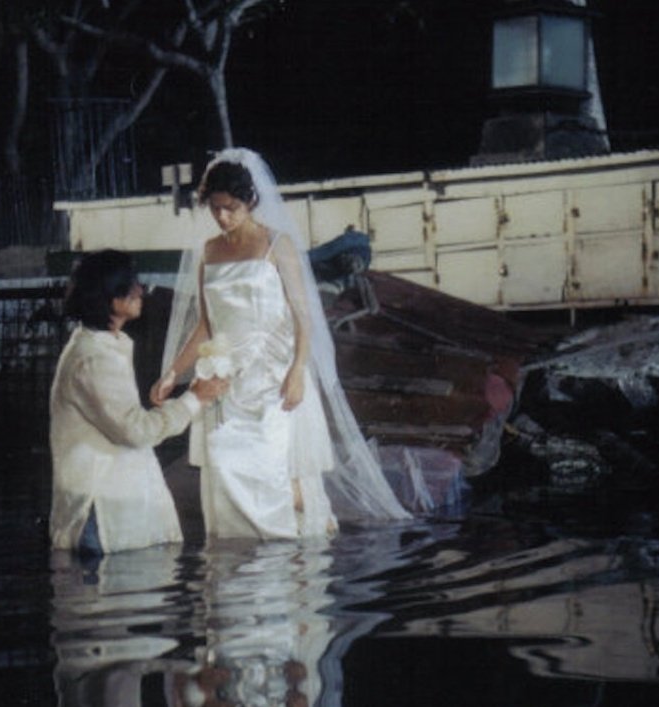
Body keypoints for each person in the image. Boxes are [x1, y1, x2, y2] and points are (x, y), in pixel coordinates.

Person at [150, 148, 410, 540]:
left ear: (251, 200)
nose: (222, 216)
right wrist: (171, 373)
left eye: (231, 207)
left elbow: (304, 317)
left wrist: (297, 372)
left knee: (272, 471)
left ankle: (284, 558)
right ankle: (236, 564)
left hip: (272, 374)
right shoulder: (209, 251)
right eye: (215, 208)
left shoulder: (277, 245)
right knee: (224, 469)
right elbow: (206, 323)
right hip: (224, 377)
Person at [49, 249, 227, 555]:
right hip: (101, 516)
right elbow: (136, 431)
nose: (140, 290)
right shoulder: (94, 358)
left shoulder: (103, 346)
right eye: (132, 284)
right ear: (111, 297)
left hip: (110, 507)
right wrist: (193, 399)